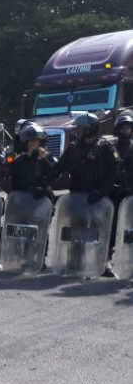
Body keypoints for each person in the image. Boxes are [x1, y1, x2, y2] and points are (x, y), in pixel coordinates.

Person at [52, 113, 118, 276]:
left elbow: (114, 172)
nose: (77, 132)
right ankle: (74, 262)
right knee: (76, 232)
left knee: (100, 232)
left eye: (80, 129)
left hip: (97, 199)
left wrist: (102, 191)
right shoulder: (73, 149)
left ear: (89, 130)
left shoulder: (105, 148)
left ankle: (103, 263)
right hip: (77, 198)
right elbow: (57, 169)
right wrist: (42, 182)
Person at [8, 124, 56, 202]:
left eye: (34, 140)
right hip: (24, 199)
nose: (31, 143)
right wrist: (27, 158)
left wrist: (42, 159)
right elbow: (12, 175)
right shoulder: (21, 159)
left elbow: (53, 174)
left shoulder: (48, 157)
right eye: (29, 141)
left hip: (42, 200)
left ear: (40, 142)